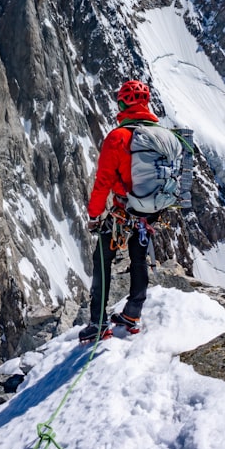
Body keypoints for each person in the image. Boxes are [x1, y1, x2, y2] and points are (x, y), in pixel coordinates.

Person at [79, 79, 159, 343]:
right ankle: (132, 313)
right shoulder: (161, 136)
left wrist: (93, 216)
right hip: (150, 210)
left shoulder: (118, 137)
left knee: (103, 258)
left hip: (123, 211)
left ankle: (98, 322)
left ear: (124, 103)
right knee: (138, 258)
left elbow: (102, 182)